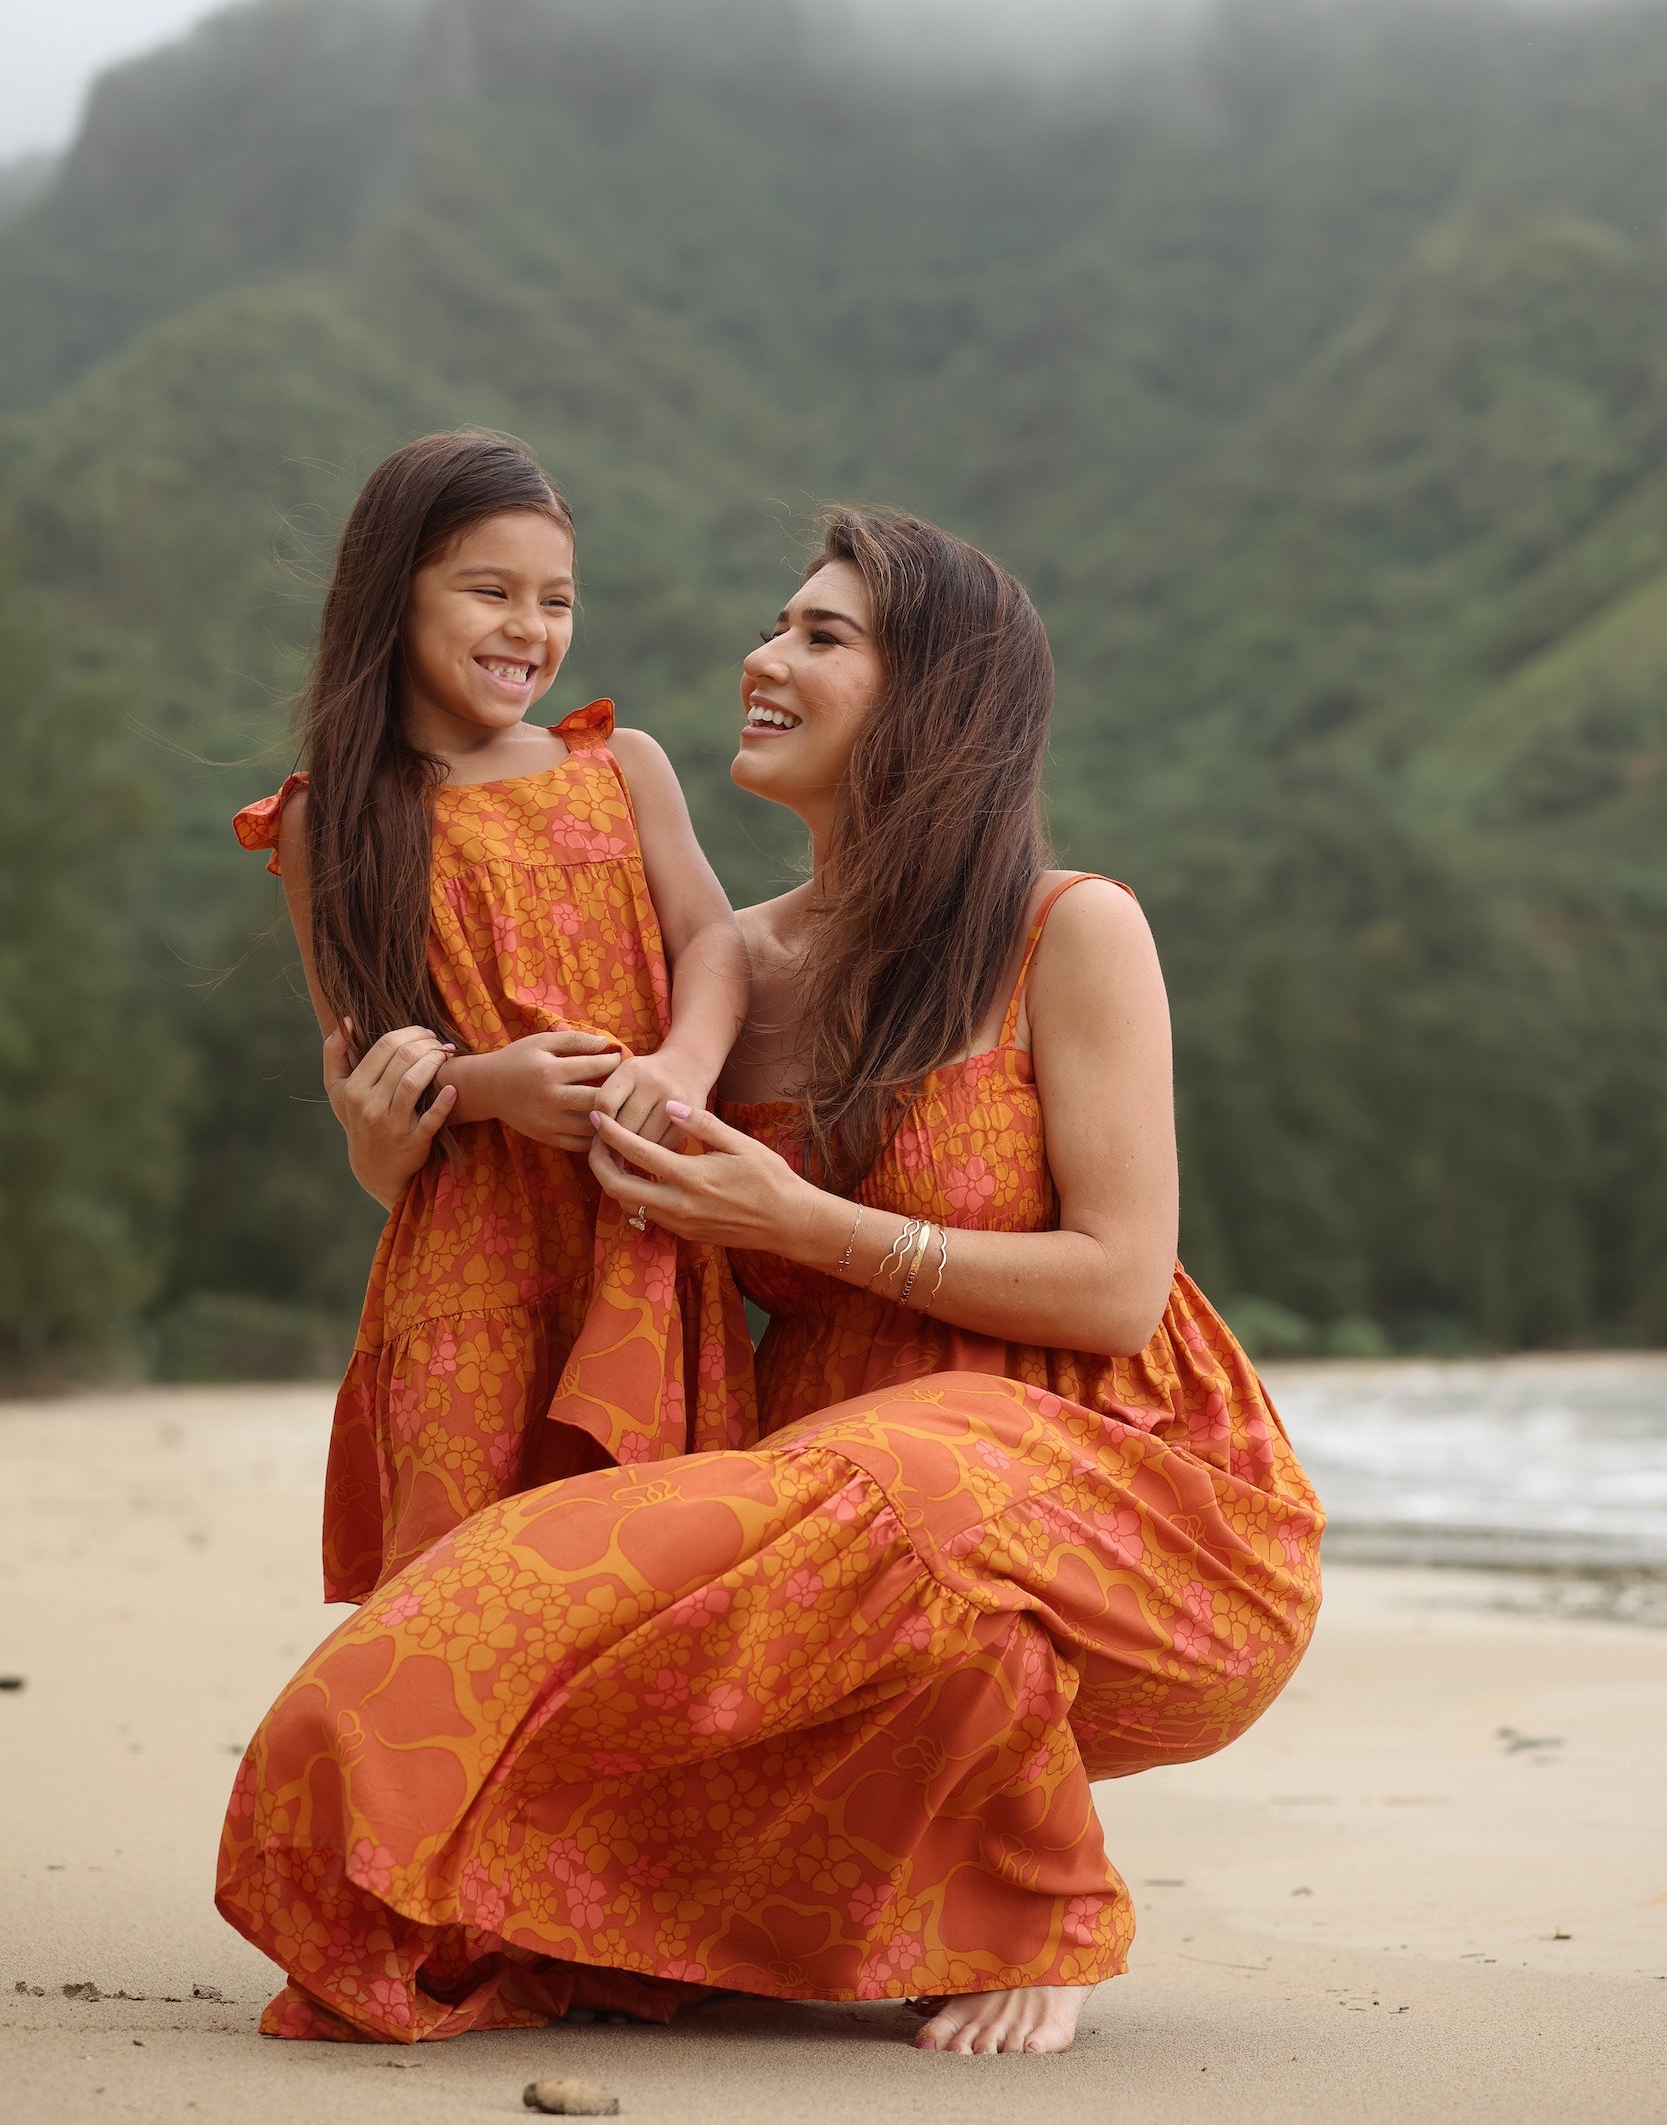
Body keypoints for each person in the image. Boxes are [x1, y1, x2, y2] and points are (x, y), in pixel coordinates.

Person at [218, 507, 1322, 2056]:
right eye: (774, 622)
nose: (761, 655)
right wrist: (391, 1131)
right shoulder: (724, 974)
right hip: (825, 1513)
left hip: (1130, 1500)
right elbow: (527, 1164)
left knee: (887, 1496)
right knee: (514, 1635)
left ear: (938, 699)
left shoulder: (1066, 929)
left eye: (820, 634)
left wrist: (803, 1224)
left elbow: (1117, 1292)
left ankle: (1037, 1895)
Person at [232, 430, 754, 1601]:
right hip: (469, 1263)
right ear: (393, 594)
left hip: (641, 1227)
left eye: (555, 599)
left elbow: (712, 938)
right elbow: (367, 1062)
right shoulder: (332, 820)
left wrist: (682, 1061)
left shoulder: (621, 764)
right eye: (490, 591)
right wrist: (493, 1087)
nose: (530, 627)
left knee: (651, 1591)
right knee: (464, 1598)